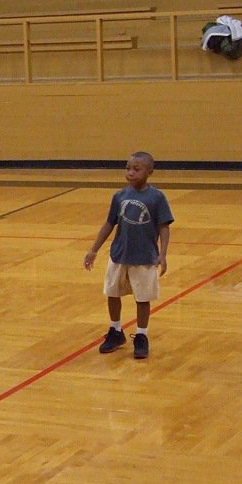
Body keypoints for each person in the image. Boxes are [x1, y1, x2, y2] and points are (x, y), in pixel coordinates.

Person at [83, 151, 174, 360]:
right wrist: (94, 249)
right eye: (128, 168)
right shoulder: (119, 196)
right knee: (112, 292)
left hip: (144, 257)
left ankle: (141, 335)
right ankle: (116, 331)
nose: (130, 173)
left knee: (143, 298)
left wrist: (163, 253)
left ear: (149, 172)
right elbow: (109, 223)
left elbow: (164, 226)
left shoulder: (157, 198)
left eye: (136, 169)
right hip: (119, 255)